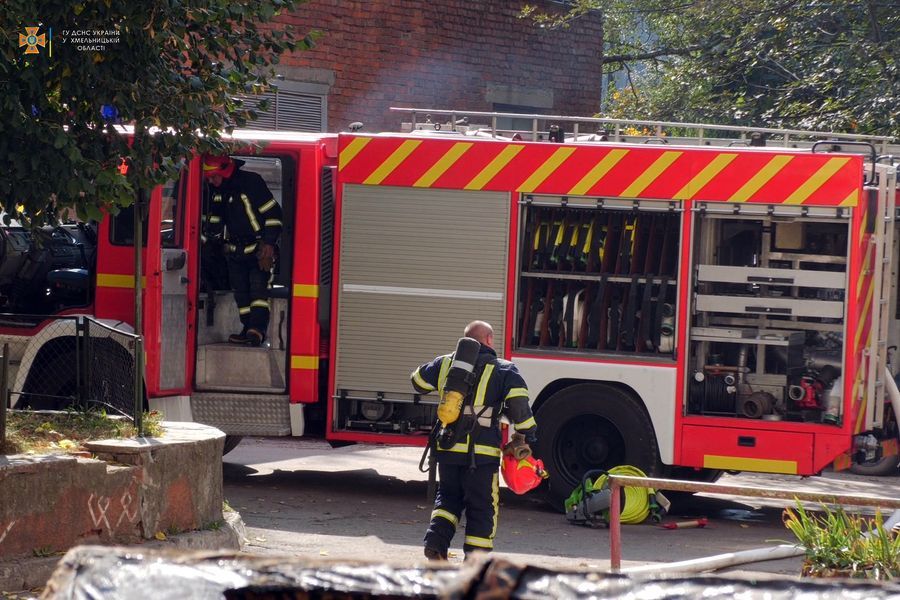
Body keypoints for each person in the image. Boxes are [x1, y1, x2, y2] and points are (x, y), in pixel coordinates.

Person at [411, 320, 537, 560]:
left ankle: (435, 545)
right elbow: (520, 412)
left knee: (448, 499)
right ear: (489, 340)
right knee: (482, 508)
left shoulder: (446, 363)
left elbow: (417, 381)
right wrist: (529, 436)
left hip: (448, 449)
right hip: (482, 455)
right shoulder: (504, 369)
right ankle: (475, 563)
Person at [202, 154, 283, 347]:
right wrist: (209, 242)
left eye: (214, 176)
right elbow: (215, 221)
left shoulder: (251, 183)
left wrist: (269, 245)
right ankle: (247, 330)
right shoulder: (220, 191)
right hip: (235, 251)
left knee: (259, 293)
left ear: (225, 170)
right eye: (209, 178)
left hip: (259, 250)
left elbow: (274, 215)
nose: (212, 181)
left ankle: (257, 331)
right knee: (242, 295)